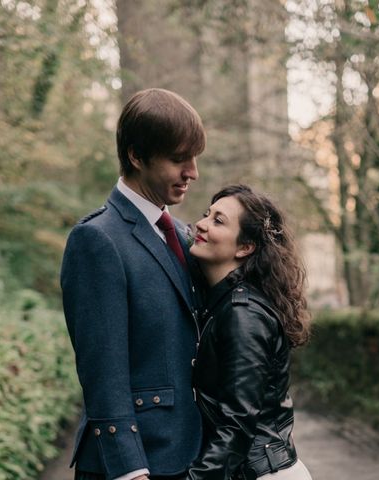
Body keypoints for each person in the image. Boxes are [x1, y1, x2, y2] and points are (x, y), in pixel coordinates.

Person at [60, 88, 206, 480]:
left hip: (189, 456)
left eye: (194, 158)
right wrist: (129, 468)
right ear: (136, 156)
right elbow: (101, 369)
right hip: (133, 464)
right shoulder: (97, 239)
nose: (192, 172)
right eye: (178, 159)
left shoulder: (183, 233)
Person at [186, 185, 313, 480]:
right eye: (207, 214)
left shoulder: (243, 314)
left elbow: (238, 421)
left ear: (245, 247)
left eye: (218, 220)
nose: (201, 224)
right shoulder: (223, 303)